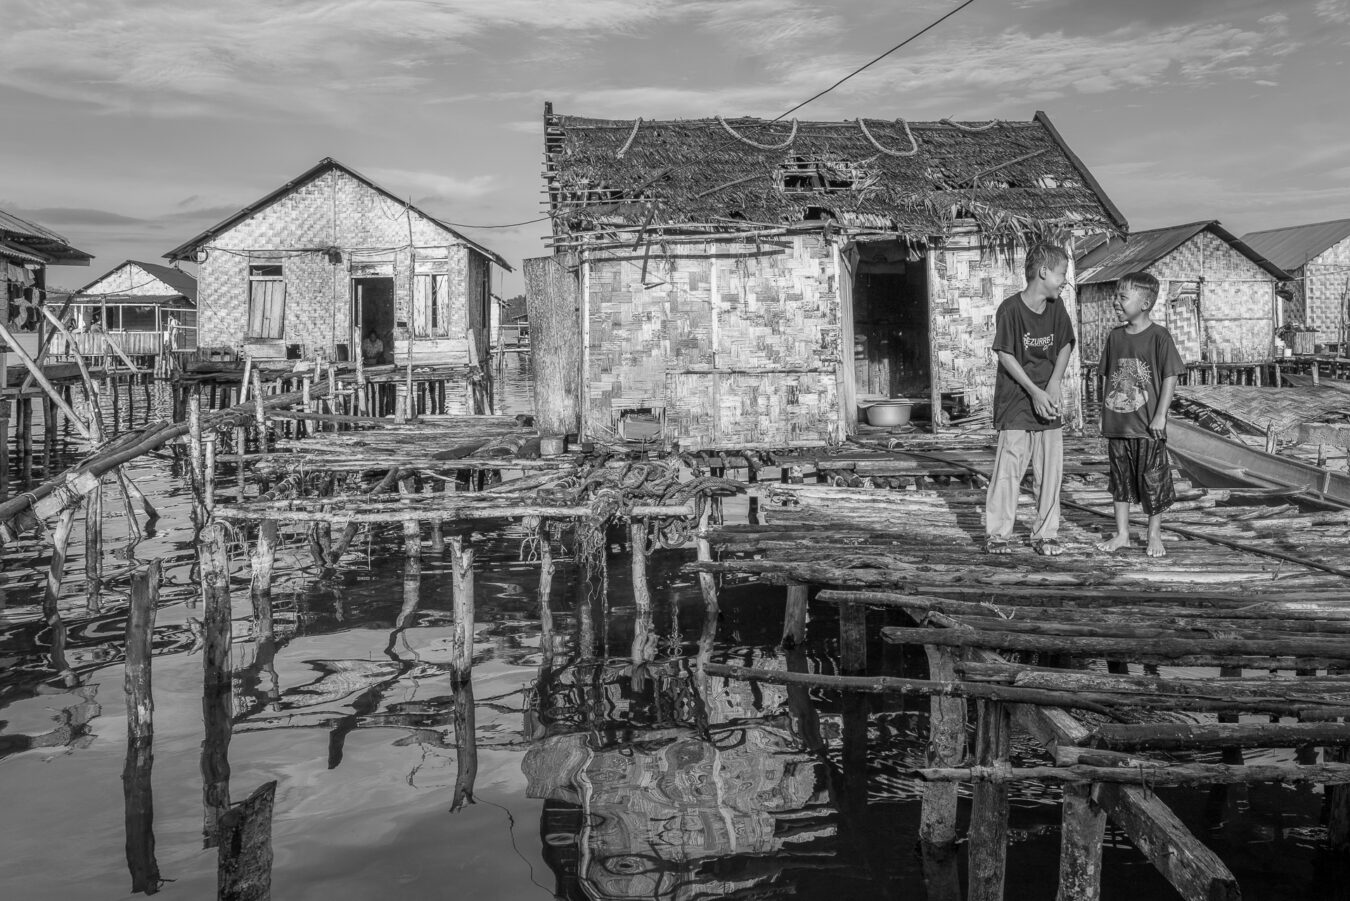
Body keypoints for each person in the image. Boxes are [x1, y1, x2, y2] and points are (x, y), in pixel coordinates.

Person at [985, 242, 1076, 556]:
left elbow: (1064, 345)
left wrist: (1051, 386)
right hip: (1016, 401)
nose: (1064, 280)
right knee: (1008, 470)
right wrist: (1034, 391)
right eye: (1061, 273)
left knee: (1050, 471)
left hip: (1047, 401)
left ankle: (1045, 534)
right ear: (1043, 272)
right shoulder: (1010, 310)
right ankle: (998, 534)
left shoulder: (1056, 307)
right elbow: (1006, 355)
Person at [1094, 271, 1184, 558]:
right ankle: (1122, 534)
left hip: (1147, 426)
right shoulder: (1115, 336)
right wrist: (1101, 413)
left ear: (1145, 303)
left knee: (1153, 479)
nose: (1115, 302)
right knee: (1119, 481)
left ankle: (1153, 533)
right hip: (1118, 423)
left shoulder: (1159, 336)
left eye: (1123, 297)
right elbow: (1106, 377)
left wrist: (1161, 416)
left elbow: (1170, 376)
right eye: (1116, 296)